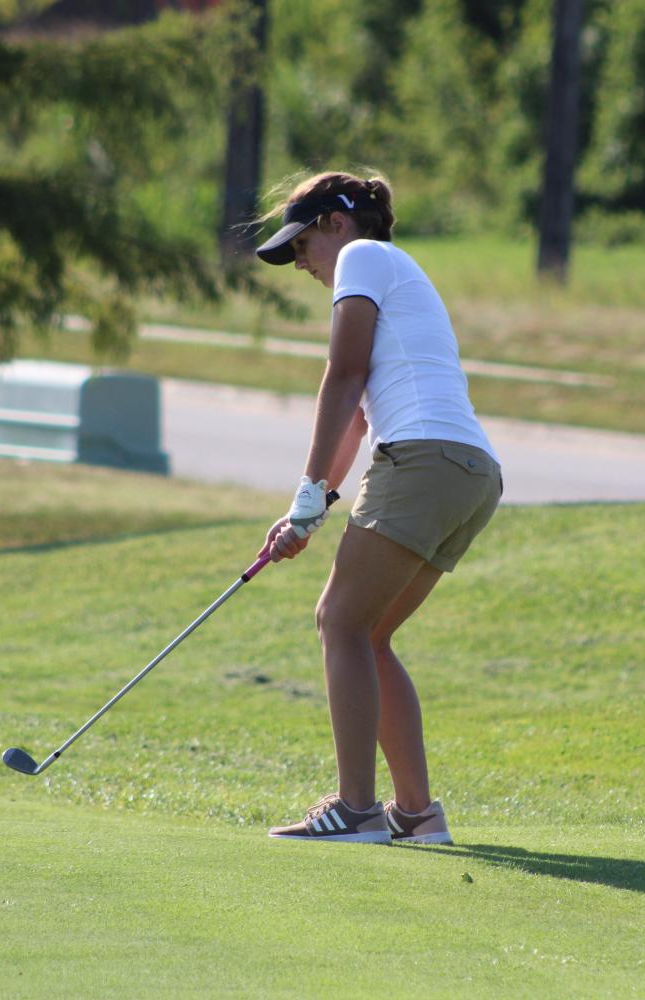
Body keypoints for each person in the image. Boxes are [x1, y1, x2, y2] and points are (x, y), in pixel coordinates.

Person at [254, 171, 502, 845]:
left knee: (339, 621)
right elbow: (359, 423)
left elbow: (344, 375)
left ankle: (357, 809)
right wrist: (311, 505)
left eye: (302, 243)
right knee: (368, 635)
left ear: (337, 223)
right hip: (469, 472)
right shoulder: (395, 270)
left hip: (423, 460)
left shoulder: (363, 257)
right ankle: (417, 815)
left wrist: (308, 494)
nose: (301, 263)